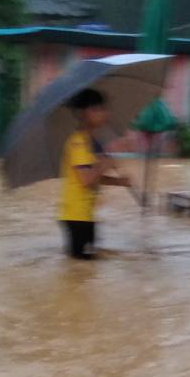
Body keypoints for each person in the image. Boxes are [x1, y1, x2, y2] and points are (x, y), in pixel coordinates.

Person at [58, 88, 131, 260]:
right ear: (84, 113)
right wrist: (108, 158)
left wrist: (119, 182)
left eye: (104, 109)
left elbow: (93, 176)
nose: (105, 114)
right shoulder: (78, 143)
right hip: (76, 217)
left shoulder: (89, 142)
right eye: (98, 109)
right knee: (80, 270)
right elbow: (86, 179)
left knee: (87, 270)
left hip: (85, 215)